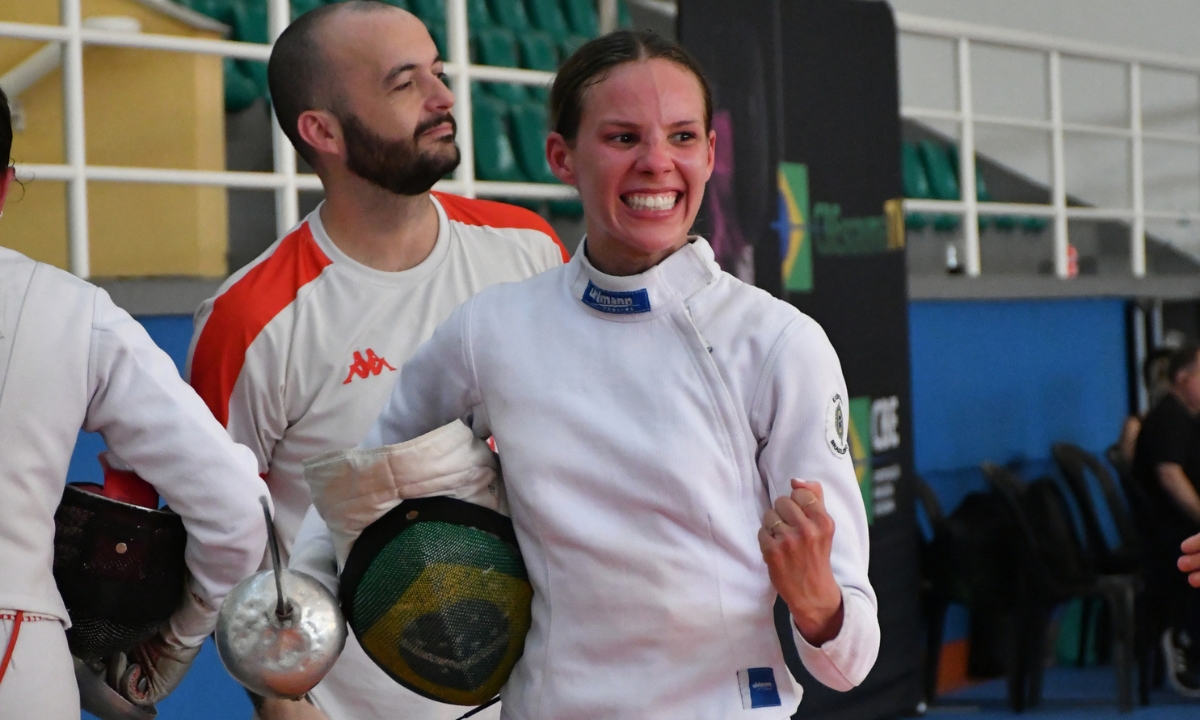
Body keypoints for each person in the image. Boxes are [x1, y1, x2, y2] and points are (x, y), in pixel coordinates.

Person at [307, 30, 879, 718]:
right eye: (622, 138)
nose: (658, 163)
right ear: (561, 156)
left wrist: (818, 603)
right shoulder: (494, 329)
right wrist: (294, 600)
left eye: (682, 136)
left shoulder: (779, 344)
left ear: (711, 155)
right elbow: (365, 474)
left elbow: (850, 662)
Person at [185, 2, 566, 719]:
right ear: (321, 131)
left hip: (537, 695)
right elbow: (223, 532)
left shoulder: (529, 249)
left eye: (438, 72)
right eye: (404, 83)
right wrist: (277, 693)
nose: (444, 97)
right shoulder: (251, 319)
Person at [0, 87, 270, 719]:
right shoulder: (69, 312)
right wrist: (171, 642)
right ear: (6, 185)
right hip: (16, 655)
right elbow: (233, 505)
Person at [1133, 341, 1200, 696]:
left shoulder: (1187, 419)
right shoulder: (1168, 419)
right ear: (1181, 377)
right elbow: (1170, 478)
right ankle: (1186, 641)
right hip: (1170, 537)